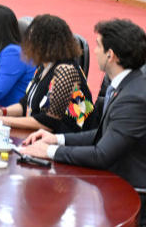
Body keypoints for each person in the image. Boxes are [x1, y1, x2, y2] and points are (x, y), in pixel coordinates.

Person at [20, 19, 146, 227]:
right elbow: (102, 134)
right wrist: (57, 139)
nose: (93, 51)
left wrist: (49, 151)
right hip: (114, 179)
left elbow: (102, 154)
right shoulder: (124, 85)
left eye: (98, 45)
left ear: (111, 55)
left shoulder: (132, 97)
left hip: (133, 193)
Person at [0, 14, 95, 133]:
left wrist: (0, 120)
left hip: (68, 143)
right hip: (41, 137)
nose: (27, 43)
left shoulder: (66, 71)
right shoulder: (44, 66)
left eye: (32, 39)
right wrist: (1, 112)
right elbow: (25, 103)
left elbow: (48, 122)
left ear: (46, 43)